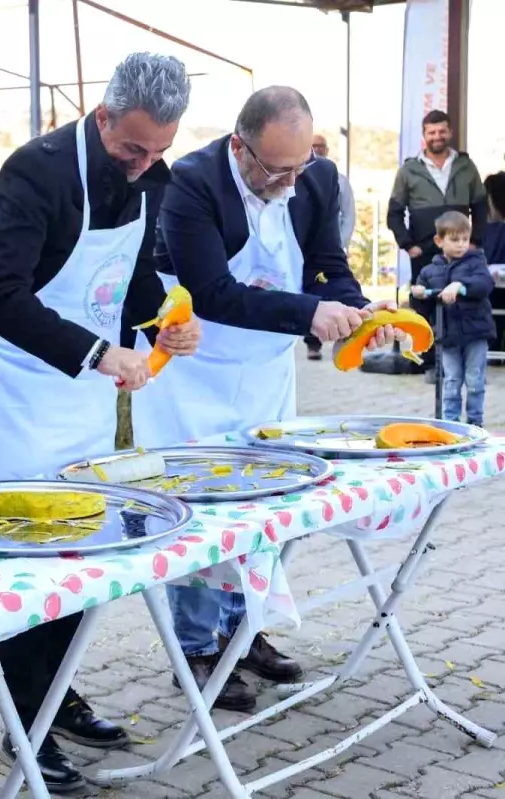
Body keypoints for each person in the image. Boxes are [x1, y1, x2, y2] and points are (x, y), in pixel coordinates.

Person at [0, 52, 201, 794]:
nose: (144, 164)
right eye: (133, 148)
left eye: (159, 151)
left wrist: (166, 320)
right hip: (21, 396)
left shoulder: (151, 174)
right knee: (32, 564)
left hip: (85, 399)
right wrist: (95, 351)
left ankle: (57, 694)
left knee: (82, 561)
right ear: (104, 115)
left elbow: (129, 278)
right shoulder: (38, 170)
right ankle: (23, 725)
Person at [132, 86, 403, 712]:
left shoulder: (316, 178)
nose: (289, 180)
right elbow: (215, 291)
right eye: (275, 168)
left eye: (299, 165)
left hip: (264, 369)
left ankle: (243, 629)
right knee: (205, 510)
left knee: (270, 500)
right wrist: (312, 312)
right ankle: (196, 649)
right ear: (239, 146)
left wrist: (358, 308)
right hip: (194, 369)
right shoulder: (192, 182)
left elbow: (329, 266)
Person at [387, 109, 488, 376]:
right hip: (423, 247)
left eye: (442, 130)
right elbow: (394, 213)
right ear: (424, 136)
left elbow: (480, 207)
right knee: (423, 301)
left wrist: (475, 241)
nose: (437, 136)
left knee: (459, 300)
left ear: (450, 132)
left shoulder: (466, 166)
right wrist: (408, 244)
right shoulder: (409, 170)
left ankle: (455, 362)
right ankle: (427, 359)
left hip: (459, 247)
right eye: (431, 132)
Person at [411, 211, 494, 425]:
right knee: (451, 380)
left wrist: (460, 286)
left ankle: (476, 423)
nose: (461, 245)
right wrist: (418, 293)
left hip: (475, 333)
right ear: (439, 241)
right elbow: (422, 306)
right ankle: (451, 425)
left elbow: (484, 285)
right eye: (454, 239)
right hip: (447, 336)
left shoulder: (476, 263)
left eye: (465, 239)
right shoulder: (429, 271)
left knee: (475, 380)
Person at [303, 134, 355, 360]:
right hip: (303, 250)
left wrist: (339, 244)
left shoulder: (336, 177)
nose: (316, 150)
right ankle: (312, 343)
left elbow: (348, 215)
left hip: (331, 248)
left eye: (320, 147)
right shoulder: (290, 174)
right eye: (311, 146)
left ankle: (345, 328)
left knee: (328, 292)